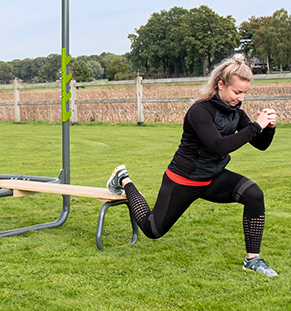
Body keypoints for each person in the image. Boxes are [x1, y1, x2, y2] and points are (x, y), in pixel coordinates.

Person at [106, 54, 280, 277]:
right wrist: (256, 126)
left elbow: (261, 145)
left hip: (212, 177)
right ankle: (124, 179)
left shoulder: (236, 111)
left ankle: (253, 260)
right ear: (221, 85)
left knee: (254, 194)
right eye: (237, 92)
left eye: (245, 93)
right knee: (152, 230)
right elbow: (218, 146)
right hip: (183, 180)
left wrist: (269, 128)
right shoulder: (200, 111)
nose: (241, 98)